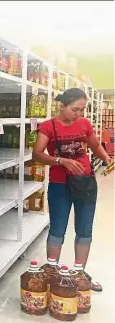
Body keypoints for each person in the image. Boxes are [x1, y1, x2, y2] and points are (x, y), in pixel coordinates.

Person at [32, 88, 112, 291]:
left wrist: (106, 158)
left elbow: (94, 145)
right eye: (75, 109)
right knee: (57, 227)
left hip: (85, 182)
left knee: (85, 228)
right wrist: (61, 160)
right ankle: (52, 271)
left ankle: (79, 274)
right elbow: (37, 154)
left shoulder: (84, 124)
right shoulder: (48, 127)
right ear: (62, 106)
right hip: (60, 184)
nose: (79, 114)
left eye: (82, 109)